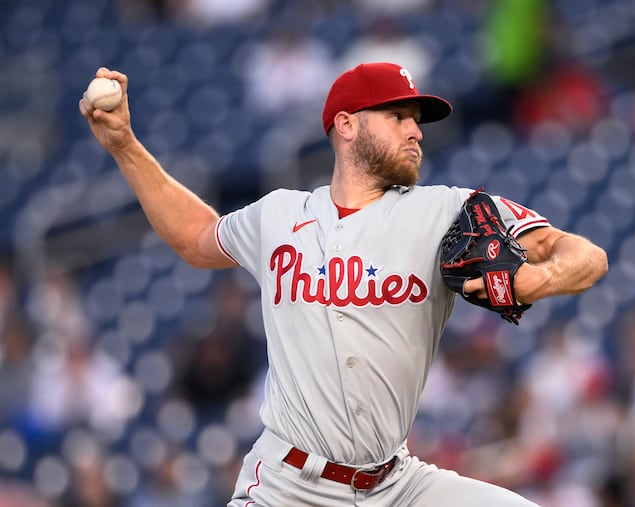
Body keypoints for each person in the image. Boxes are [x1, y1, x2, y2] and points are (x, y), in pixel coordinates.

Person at [79, 61, 608, 506]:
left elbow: (587, 255)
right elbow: (195, 238)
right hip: (286, 487)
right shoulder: (279, 216)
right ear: (347, 125)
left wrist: (538, 279)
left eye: (417, 120)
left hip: (397, 485)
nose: (416, 130)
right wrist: (125, 145)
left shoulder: (448, 210)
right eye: (398, 115)